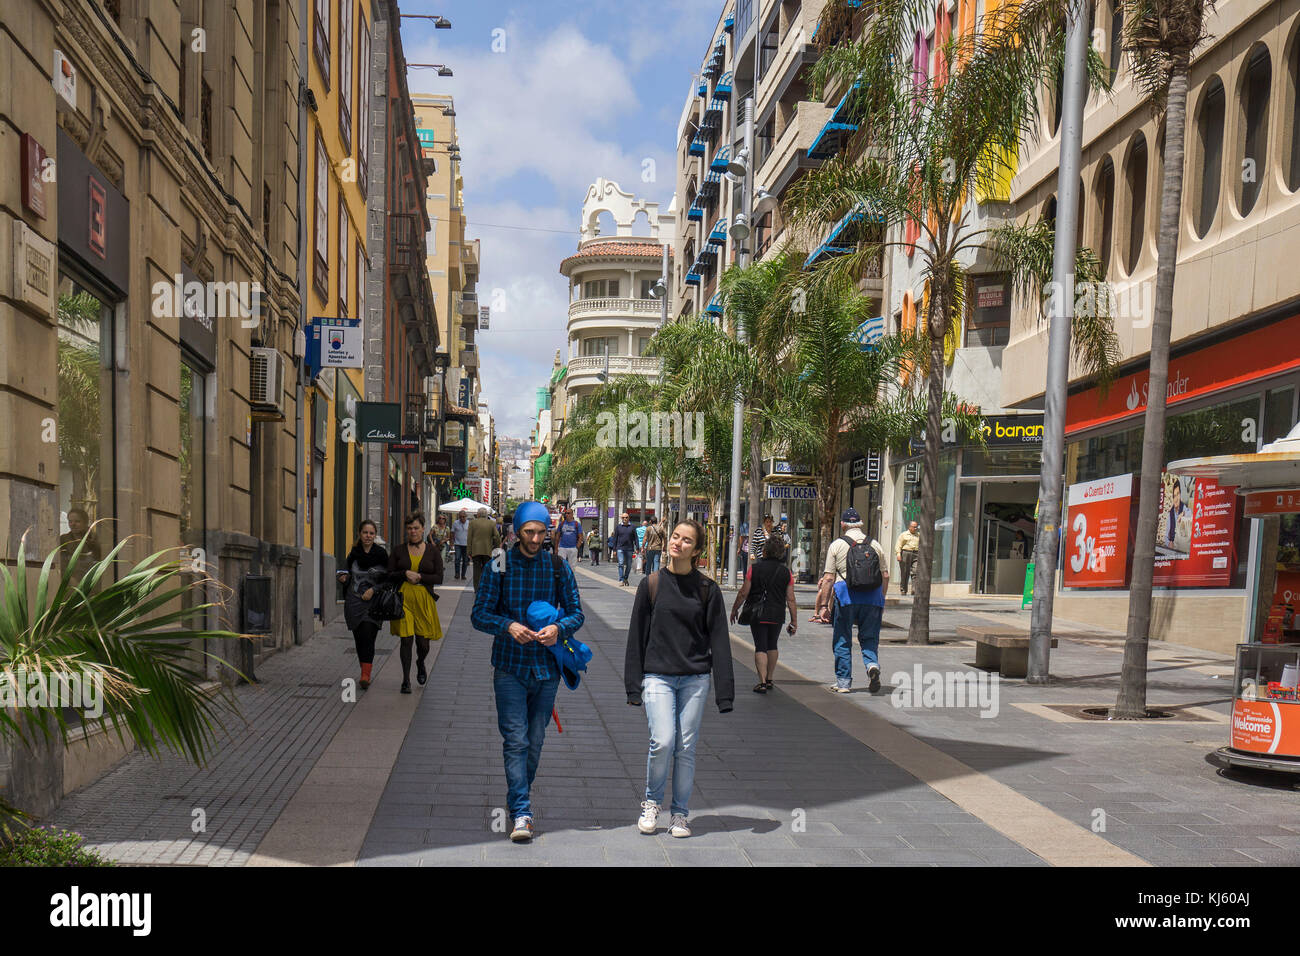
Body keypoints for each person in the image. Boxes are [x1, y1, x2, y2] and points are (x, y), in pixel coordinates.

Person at [471, 501, 584, 844]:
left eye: (540, 532)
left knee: (534, 742)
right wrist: (507, 626)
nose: (535, 539)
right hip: (509, 667)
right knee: (516, 740)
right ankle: (522, 811)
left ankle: (517, 794)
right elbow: (479, 614)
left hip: (547, 668)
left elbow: (577, 613)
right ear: (516, 531)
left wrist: (559, 630)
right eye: (528, 532)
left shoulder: (556, 566)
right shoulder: (500, 564)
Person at [625, 519, 734, 838]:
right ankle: (651, 803)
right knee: (663, 741)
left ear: (697, 550)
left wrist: (724, 693)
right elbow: (636, 638)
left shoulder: (707, 590)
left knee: (685, 747)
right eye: (675, 536)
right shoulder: (652, 584)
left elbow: (720, 641)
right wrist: (634, 685)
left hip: (695, 679)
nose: (678, 543)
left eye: (687, 540)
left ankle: (680, 815)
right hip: (657, 677)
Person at [823, 508, 889, 694]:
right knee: (869, 637)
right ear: (860, 523)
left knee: (842, 638)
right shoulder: (875, 544)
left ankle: (843, 683)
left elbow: (828, 578)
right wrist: (881, 598)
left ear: (843, 524)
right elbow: (885, 575)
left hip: (846, 597)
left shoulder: (837, 545)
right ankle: (871, 665)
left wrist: (822, 605)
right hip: (873, 597)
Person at [731, 536, 797, 694]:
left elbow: (743, 593)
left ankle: (761, 682)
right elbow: (791, 598)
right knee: (772, 644)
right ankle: (769, 679)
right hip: (777, 613)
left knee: (760, 645)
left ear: (765, 550)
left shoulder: (754, 569)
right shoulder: (786, 572)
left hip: (758, 613)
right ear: (781, 552)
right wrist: (794, 621)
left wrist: (735, 609)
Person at [388, 513, 444, 694]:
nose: (413, 531)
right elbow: (389, 574)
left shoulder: (433, 551)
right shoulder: (398, 550)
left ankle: (420, 662)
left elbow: (439, 577)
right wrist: (404, 573)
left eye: (416, 528)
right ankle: (405, 680)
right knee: (406, 639)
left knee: (423, 644)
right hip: (403, 598)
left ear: (423, 529)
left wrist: (420, 576)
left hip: (424, 599)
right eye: (410, 528)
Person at [338, 519, 389, 690]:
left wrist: (374, 590)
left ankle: (365, 675)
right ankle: (364, 669)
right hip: (354, 602)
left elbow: (388, 579)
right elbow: (344, 572)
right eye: (365, 532)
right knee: (359, 638)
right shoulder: (353, 553)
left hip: (374, 603)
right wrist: (343, 577)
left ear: (375, 536)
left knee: (368, 635)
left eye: (371, 533)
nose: (368, 536)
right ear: (360, 534)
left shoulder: (381, 554)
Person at [60, 507, 104, 585]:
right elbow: (62, 565)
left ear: (85, 523)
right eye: (70, 521)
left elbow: (100, 561)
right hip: (71, 584)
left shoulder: (93, 539)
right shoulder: (64, 540)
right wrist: (70, 580)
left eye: (77, 521)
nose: (73, 524)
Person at [468, 507, 501, 591]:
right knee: (487, 569)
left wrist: (469, 551)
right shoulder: (491, 523)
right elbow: (497, 536)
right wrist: (496, 547)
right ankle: (485, 587)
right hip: (487, 550)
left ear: (478, 514)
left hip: (476, 550)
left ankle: (476, 588)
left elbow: (469, 538)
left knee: (476, 570)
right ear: (486, 515)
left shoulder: (472, 523)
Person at [612, 511, 638, 586]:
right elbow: (615, 538)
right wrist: (614, 550)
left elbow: (635, 538)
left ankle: (625, 578)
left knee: (629, 565)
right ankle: (621, 579)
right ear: (621, 518)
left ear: (628, 518)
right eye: (623, 517)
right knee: (621, 563)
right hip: (620, 548)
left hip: (629, 548)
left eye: (626, 517)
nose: (625, 519)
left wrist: (637, 547)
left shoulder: (632, 527)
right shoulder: (618, 527)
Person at [895, 520, 920, 596]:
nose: (915, 528)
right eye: (914, 527)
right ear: (909, 527)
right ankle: (903, 589)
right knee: (905, 572)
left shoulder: (918, 535)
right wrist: (898, 554)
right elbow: (898, 545)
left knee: (915, 572)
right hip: (906, 553)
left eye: (916, 527)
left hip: (916, 554)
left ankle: (914, 589)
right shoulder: (903, 535)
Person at [1165, 480, 1188, 549]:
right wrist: (1169, 543)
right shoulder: (1171, 513)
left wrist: (1184, 514)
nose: (1176, 498)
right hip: (1172, 549)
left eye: (1178, 494)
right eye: (1174, 495)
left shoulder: (1186, 510)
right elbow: (1166, 535)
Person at [451, 509, 471, 580]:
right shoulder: (455, 523)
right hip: (458, 544)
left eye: (463, 517)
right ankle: (457, 574)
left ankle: (463, 575)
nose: (462, 518)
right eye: (460, 517)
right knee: (457, 559)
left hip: (466, 544)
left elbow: (471, 534)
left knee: (465, 560)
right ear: (459, 517)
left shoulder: (469, 523)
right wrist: (452, 543)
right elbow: (452, 533)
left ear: (466, 516)